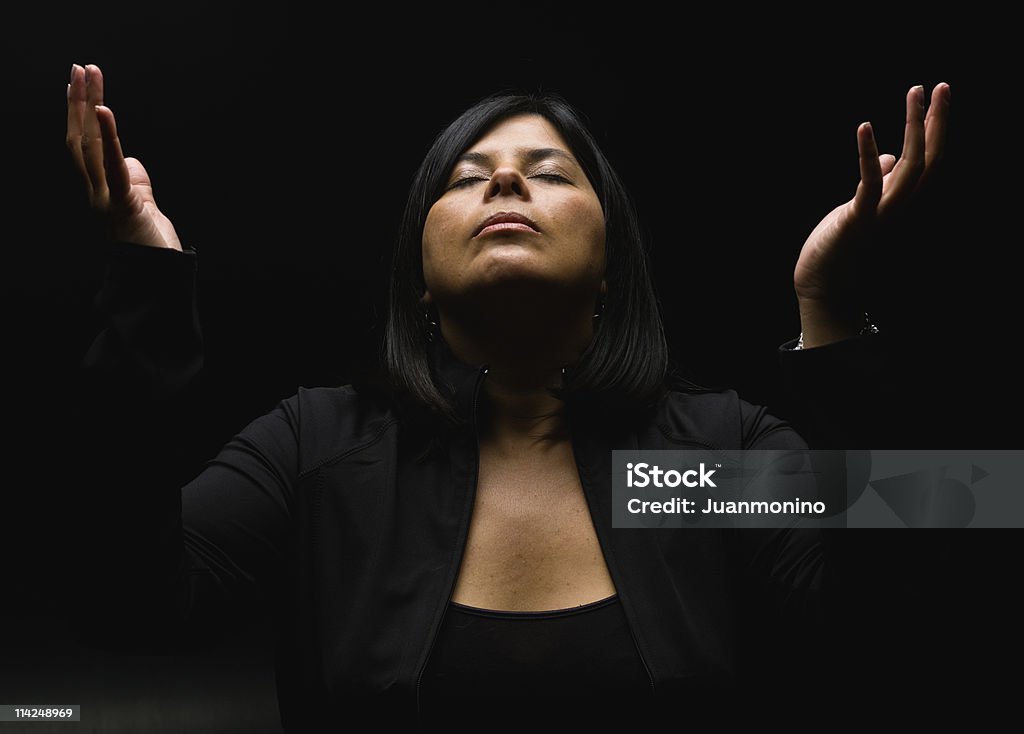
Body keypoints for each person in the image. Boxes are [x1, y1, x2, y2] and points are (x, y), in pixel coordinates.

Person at [65, 62, 949, 731]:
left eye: (553, 172)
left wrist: (829, 312)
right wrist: (147, 281)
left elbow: (919, 583)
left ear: (610, 266)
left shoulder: (712, 457)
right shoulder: (318, 447)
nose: (505, 182)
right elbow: (128, 603)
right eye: (463, 176)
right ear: (420, 275)